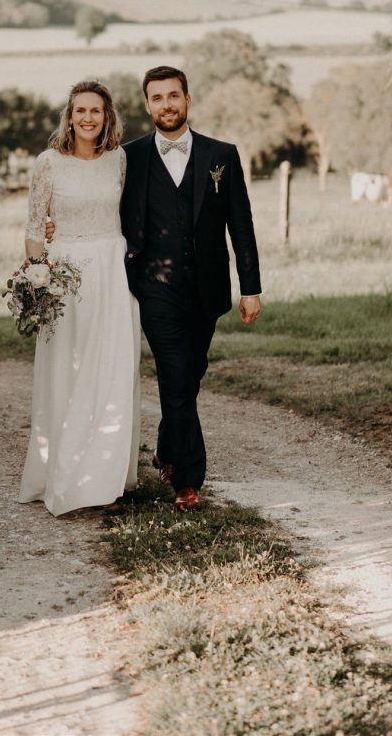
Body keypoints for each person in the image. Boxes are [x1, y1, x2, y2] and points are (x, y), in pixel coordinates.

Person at [120, 65, 261, 511]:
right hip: (154, 287)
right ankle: (187, 479)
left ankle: (165, 446)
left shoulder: (223, 155)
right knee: (176, 375)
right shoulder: (131, 157)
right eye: (157, 98)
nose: (166, 104)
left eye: (173, 96)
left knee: (189, 376)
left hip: (208, 290)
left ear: (188, 99)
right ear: (147, 105)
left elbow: (241, 225)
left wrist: (250, 286)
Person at [18, 80, 140, 517]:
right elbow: (35, 227)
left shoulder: (119, 160)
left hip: (111, 270)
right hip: (67, 276)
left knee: (110, 369)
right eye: (80, 111)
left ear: (108, 117)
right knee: (68, 370)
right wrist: (37, 277)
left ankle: (105, 474)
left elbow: (124, 213)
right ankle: (66, 473)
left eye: (96, 111)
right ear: (69, 117)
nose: (88, 118)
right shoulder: (48, 163)